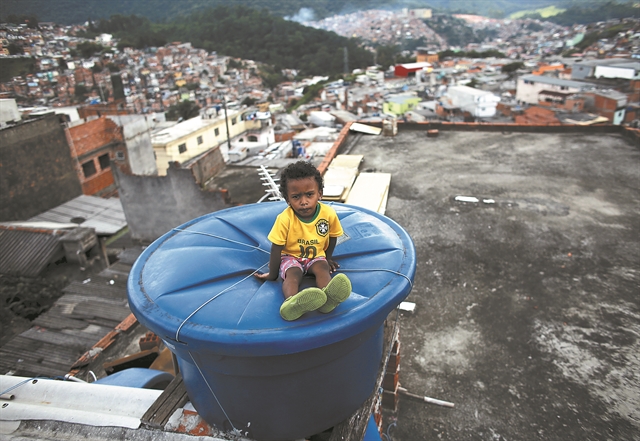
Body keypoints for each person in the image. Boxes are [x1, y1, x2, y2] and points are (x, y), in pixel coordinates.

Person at [255, 160, 351, 321]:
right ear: (287, 199)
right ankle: (292, 303)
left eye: (309, 194)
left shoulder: (328, 214)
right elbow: (276, 248)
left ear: (319, 193)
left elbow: (333, 236)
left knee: (322, 269)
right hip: (290, 257)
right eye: (296, 197)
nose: (304, 201)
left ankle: (328, 300)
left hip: (315, 257)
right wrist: (272, 274)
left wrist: (327, 259)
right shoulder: (285, 219)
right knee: (293, 275)